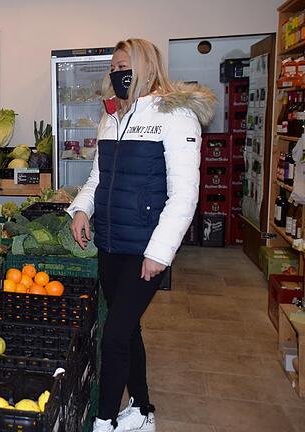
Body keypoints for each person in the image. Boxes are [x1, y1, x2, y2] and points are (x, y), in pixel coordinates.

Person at [67, 38, 216, 432]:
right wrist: (82, 209)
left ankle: (105, 421)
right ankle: (143, 410)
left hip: (145, 248)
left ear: (147, 67)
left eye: (125, 65)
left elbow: (185, 194)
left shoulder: (175, 116)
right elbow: (98, 178)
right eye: (114, 67)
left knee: (113, 336)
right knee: (127, 328)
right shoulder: (111, 118)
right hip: (110, 243)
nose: (117, 73)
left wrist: (160, 252)